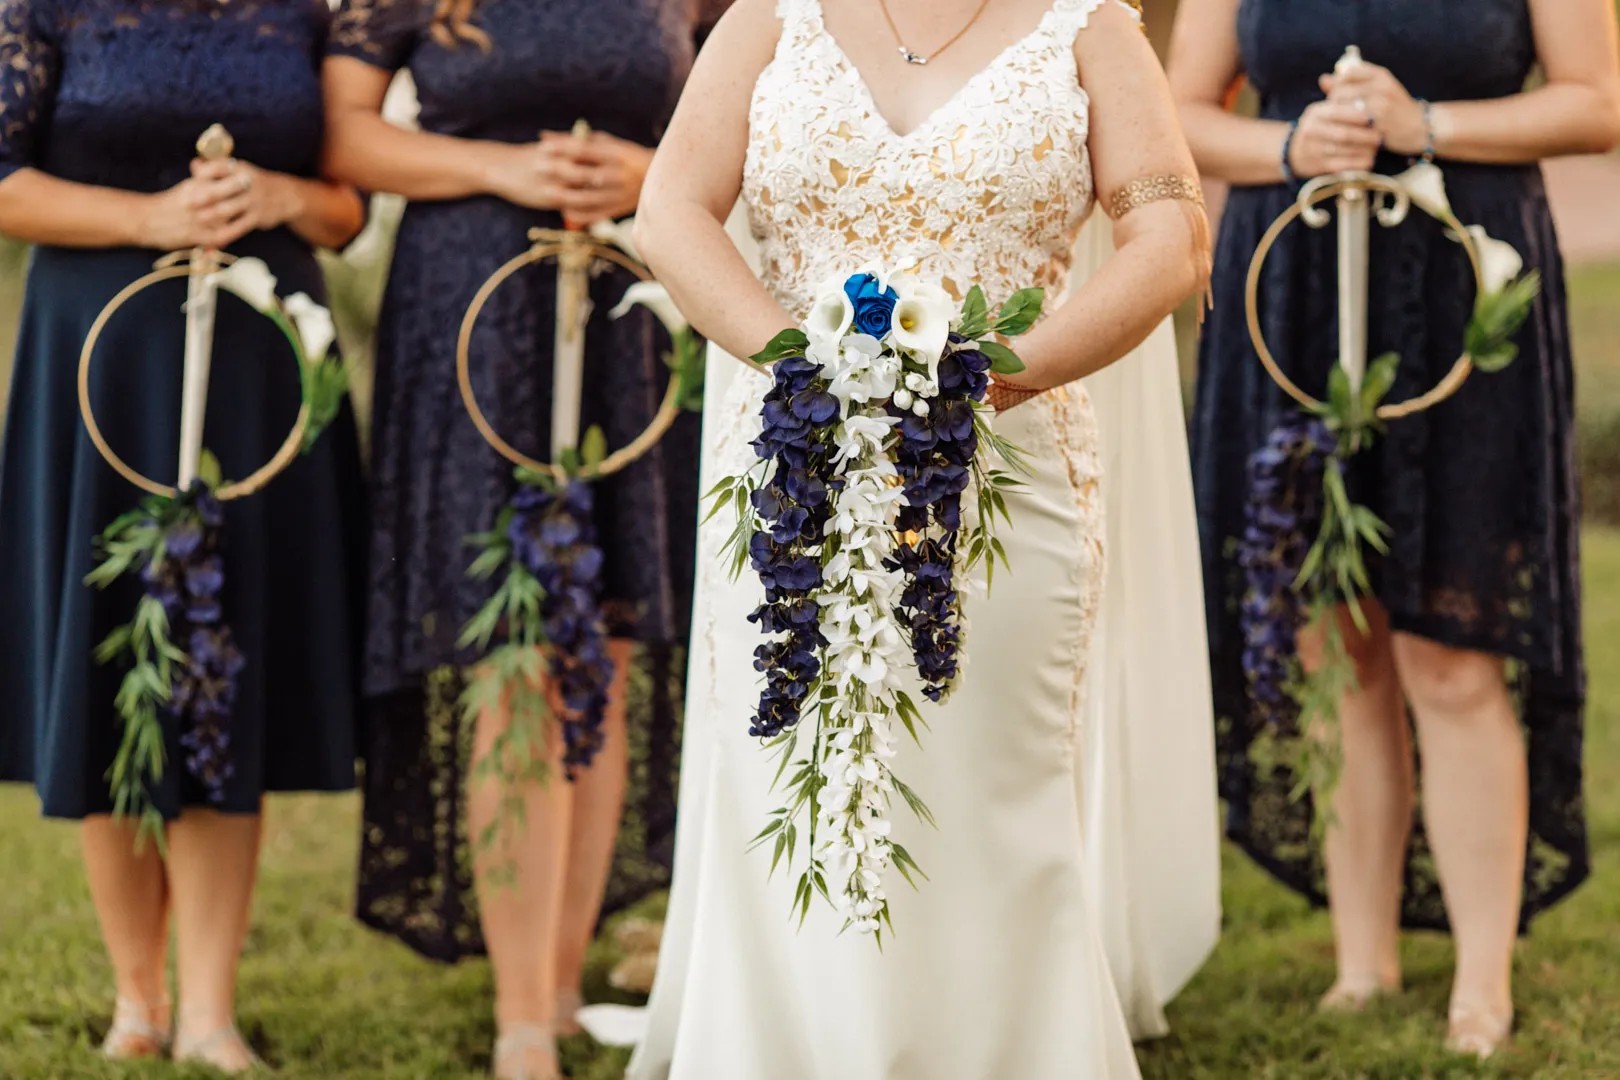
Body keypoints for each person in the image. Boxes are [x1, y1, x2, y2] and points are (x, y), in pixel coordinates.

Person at [627, 0, 1210, 1075]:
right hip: (795, 469)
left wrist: (983, 377)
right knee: (787, 784)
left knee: (983, 797)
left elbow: (1171, 240)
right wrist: (809, 366)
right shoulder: (770, 16)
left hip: (1002, 473)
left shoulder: (1092, 28)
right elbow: (671, 209)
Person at [1170, 0, 1620, 1058]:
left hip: (1467, 282)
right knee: (1333, 630)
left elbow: (1597, 104)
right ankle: (1360, 966)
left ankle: (1481, 980)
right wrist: (1287, 145)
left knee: (1453, 651)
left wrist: (1430, 126)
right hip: (1290, 283)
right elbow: (1178, 112)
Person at [323, 2, 725, 1076]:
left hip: (633, 309)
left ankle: (555, 982)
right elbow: (348, 137)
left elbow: (754, 118)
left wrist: (652, 174)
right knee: (514, 649)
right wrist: (498, 172)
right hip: (470, 302)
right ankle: (515, 1016)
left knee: (610, 638)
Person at [0, 0, 367, 1071]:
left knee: (224, 659)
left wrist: (283, 193)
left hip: (261, 364)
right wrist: (147, 218)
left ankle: (209, 1008)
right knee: (116, 653)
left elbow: (348, 210)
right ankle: (136, 1000)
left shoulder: (307, 13)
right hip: (100, 354)